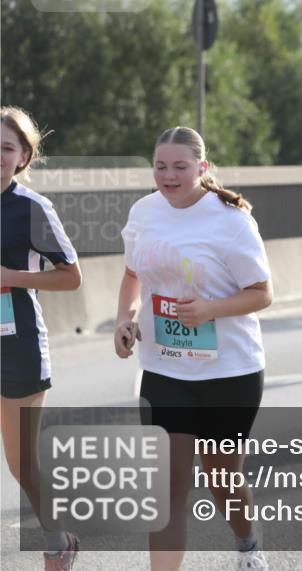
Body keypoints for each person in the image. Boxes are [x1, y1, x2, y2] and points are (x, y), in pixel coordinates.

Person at [115, 126, 272, 571]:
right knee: (167, 488)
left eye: (180, 167)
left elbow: (261, 293)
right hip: (163, 368)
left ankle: (247, 546)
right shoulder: (144, 212)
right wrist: (125, 318)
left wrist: (209, 310)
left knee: (223, 478)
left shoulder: (230, 219)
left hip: (229, 371)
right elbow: (132, 275)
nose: (168, 176)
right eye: (160, 166)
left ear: (201, 168)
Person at [1, 107, 83, 570]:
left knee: (22, 466)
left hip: (17, 349)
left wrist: (10, 276)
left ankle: (57, 542)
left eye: (6, 148)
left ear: (23, 156)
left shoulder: (32, 208)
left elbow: (71, 277)